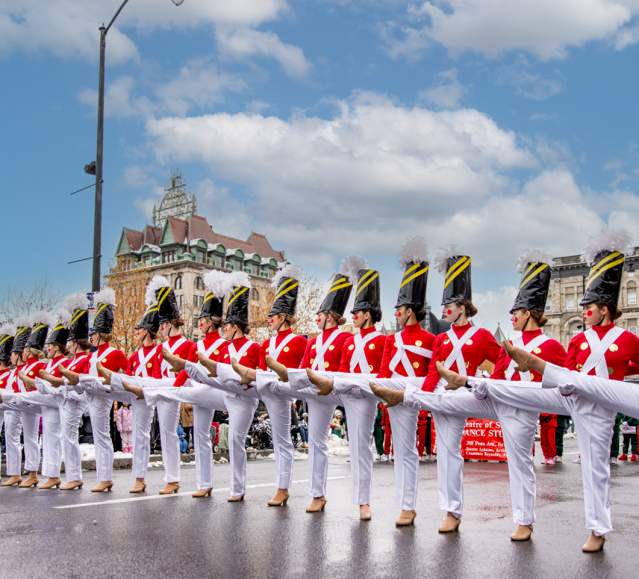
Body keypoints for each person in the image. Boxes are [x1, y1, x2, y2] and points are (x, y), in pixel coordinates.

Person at [442, 233, 639, 553]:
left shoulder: (624, 339)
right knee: (522, 463)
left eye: (588, 305)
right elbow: (535, 376)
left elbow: (562, 375)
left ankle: (597, 528)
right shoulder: (576, 340)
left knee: (596, 469)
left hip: (600, 407)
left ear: (604, 308)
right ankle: (524, 518)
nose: (583, 309)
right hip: (539, 402)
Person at [306, 263, 387, 521]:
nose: (317, 317)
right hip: (328, 388)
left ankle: (363, 502)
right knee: (315, 439)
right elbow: (341, 367)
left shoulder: (353, 338)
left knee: (360, 445)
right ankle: (317, 494)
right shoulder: (342, 340)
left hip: (358, 394)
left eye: (358, 311)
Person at [223, 265, 307, 507]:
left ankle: (283, 488)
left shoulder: (299, 341)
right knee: (277, 441)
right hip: (266, 390)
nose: (268, 319)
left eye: (273, 316)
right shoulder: (267, 344)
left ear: (283, 317)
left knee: (283, 441)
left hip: (284, 393)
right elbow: (261, 369)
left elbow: (301, 368)